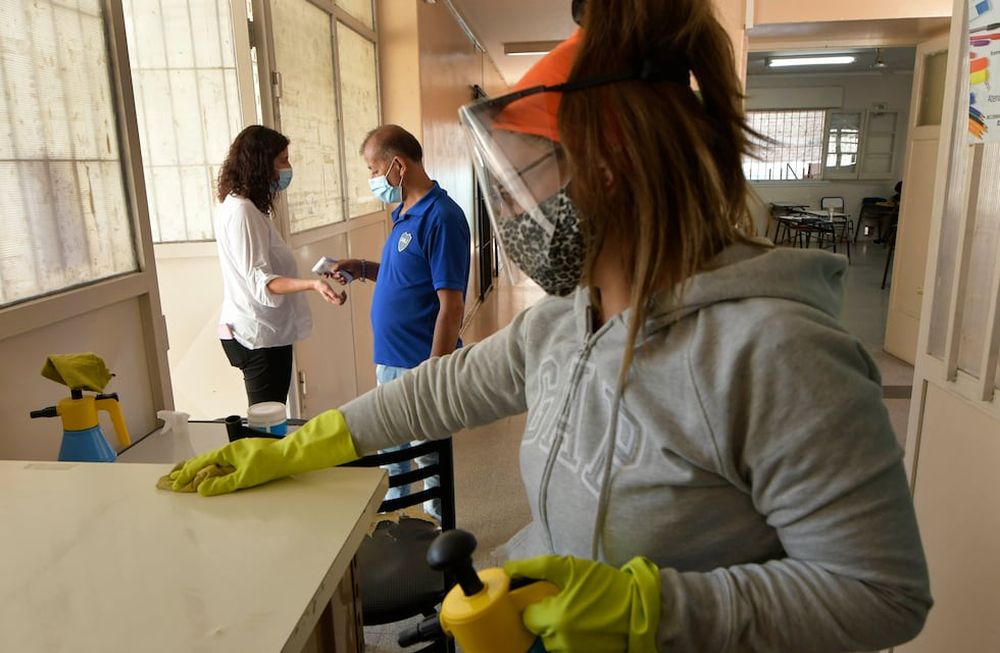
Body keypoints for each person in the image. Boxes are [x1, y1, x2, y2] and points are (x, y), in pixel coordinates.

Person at [167, 2, 931, 652]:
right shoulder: (568, 321)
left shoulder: (780, 354)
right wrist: (302, 445)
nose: (509, 214)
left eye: (524, 177)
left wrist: (652, 610)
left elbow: (881, 591)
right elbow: (428, 396)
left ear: (610, 167)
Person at [329, 125, 471, 522]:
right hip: (390, 363)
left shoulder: (442, 217)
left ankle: (441, 538)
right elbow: (404, 278)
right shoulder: (403, 214)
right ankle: (396, 531)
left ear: (398, 165)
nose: (373, 180)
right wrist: (360, 268)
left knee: (429, 461)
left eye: (374, 170)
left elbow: (452, 304)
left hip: (420, 366)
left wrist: (433, 370)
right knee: (393, 460)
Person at [215, 125, 345, 406]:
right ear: (261, 164)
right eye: (282, 160)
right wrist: (312, 284)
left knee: (270, 420)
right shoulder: (242, 211)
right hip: (257, 336)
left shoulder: (246, 207)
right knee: (266, 426)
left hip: (264, 331)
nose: (288, 168)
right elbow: (262, 281)